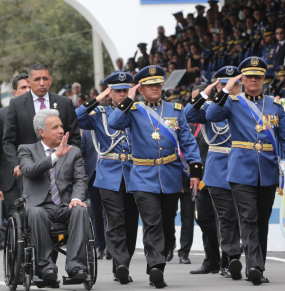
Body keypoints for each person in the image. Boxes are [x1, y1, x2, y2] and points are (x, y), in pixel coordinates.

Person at [206, 57, 285, 285]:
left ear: (263, 79)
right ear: (243, 79)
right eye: (249, 76)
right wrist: (226, 91)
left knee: (261, 221)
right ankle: (254, 267)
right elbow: (210, 116)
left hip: (267, 171)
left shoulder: (275, 105)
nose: (254, 80)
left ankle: (258, 264)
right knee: (248, 217)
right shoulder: (232, 102)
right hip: (240, 171)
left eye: (258, 76)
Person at [108, 65, 203, 288]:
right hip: (143, 175)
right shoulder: (131, 110)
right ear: (141, 88)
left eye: (158, 84)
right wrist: (128, 99)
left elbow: (188, 142)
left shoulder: (175, 110)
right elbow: (113, 123)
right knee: (152, 222)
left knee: (167, 224)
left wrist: (196, 170)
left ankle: (156, 264)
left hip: (170, 175)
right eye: (150, 85)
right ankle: (156, 267)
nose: (155, 88)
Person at [76, 72, 139, 284]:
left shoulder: (136, 110)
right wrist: (97, 99)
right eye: (118, 91)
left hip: (134, 173)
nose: (122, 94)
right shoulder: (100, 113)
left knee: (131, 223)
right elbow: (74, 118)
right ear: (109, 92)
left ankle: (122, 266)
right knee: (116, 220)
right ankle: (120, 263)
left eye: (125, 90)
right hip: (109, 173)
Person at [185, 67, 243, 278]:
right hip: (215, 171)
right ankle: (221, 259)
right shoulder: (210, 108)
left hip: (240, 168)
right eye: (224, 83)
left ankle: (229, 259)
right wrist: (205, 93)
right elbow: (188, 114)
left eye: (234, 83)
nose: (230, 87)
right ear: (218, 85)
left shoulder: (245, 105)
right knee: (215, 217)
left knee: (232, 218)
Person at [18, 109, 89, 281]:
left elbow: (81, 179)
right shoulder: (26, 150)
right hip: (40, 206)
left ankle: (76, 266)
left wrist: (76, 198)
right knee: (35, 213)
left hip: (65, 205)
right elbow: (29, 170)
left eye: (61, 126)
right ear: (41, 132)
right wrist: (56, 156)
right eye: (55, 127)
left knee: (81, 209)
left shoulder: (74, 152)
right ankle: (45, 267)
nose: (60, 130)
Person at [3, 63, 81, 185]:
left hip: (61, 171)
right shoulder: (16, 104)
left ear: (50, 80)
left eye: (45, 79)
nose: (41, 83)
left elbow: (74, 137)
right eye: (37, 79)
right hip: (29, 170)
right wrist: (16, 165)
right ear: (28, 82)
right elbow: (8, 140)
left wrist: (68, 162)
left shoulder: (64, 103)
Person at [0, 74, 30, 219]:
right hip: (10, 180)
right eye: (23, 87)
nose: (27, 90)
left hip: (37, 176)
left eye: (30, 87)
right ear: (14, 92)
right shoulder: (2, 114)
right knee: (16, 216)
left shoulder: (43, 113)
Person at [79, 129, 106, 260]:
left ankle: (112, 247)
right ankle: (101, 246)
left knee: (110, 212)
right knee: (97, 213)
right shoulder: (87, 133)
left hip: (110, 176)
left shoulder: (112, 129)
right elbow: (80, 155)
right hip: (93, 176)